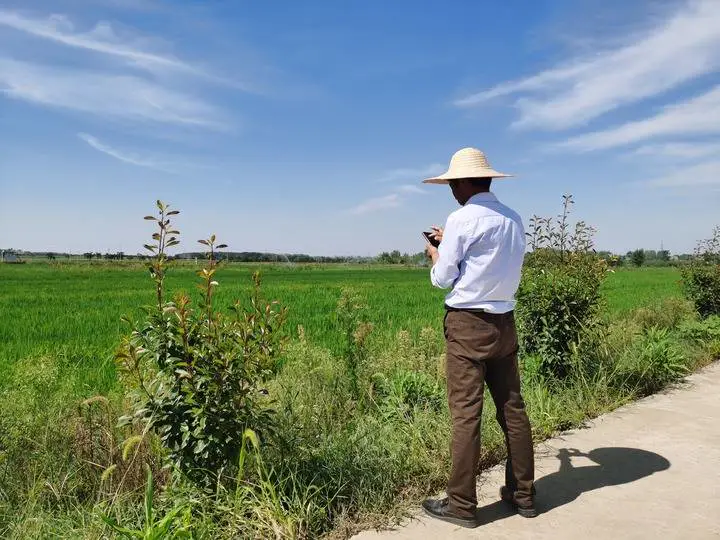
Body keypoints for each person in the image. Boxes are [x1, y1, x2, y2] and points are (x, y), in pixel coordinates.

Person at [421, 147, 536, 528]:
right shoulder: (513, 219)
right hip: (505, 323)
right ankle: (523, 495)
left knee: (467, 415)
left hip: (468, 326)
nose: (452, 189)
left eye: (453, 183)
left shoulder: (461, 218)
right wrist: (450, 239)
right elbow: (491, 260)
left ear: (465, 182)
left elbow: (444, 279)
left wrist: (436, 253)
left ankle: (461, 505)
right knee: (512, 411)